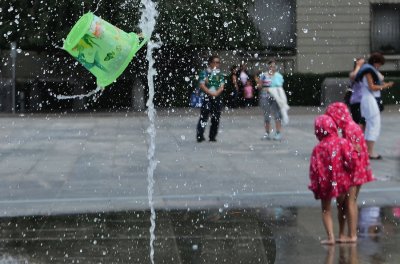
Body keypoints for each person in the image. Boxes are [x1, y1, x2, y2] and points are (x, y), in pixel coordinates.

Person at [326, 102, 375, 243]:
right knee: (349, 202)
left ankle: (352, 234)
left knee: (350, 202)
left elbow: (353, 153)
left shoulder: (349, 129)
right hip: (357, 169)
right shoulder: (350, 127)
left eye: (332, 119)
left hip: (354, 171)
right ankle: (349, 234)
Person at [308, 115, 355, 245]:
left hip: (325, 183)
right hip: (342, 181)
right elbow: (351, 161)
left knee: (326, 210)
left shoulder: (318, 148)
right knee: (342, 207)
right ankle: (341, 233)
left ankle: (331, 237)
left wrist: (315, 184)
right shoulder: (343, 142)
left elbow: (314, 169)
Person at [354, 52, 395, 159]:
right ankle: (369, 152)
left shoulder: (368, 69)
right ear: (376, 62)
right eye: (379, 63)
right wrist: (385, 86)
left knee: (368, 124)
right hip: (368, 99)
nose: (380, 66)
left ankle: (365, 150)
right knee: (373, 124)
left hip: (367, 99)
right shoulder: (368, 71)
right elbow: (372, 87)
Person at [196, 55, 225, 142]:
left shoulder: (220, 74)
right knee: (204, 117)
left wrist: (216, 93)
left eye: (218, 62)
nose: (216, 64)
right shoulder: (204, 73)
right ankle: (200, 135)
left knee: (216, 117)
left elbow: (222, 86)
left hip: (217, 97)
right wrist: (210, 93)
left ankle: (212, 136)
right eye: (214, 62)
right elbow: (202, 85)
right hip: (207, 97)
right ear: (210, 63)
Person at [257, 60, 288, 140]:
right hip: (265, 96)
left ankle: (278, 133)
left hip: (276, 97)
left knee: (277, 114)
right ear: (268, 67)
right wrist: (262, 85)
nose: (272, 68)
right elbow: (259, 86)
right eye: (271, 66)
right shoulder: (264, 75)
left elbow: (280, 87)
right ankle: (267, 133)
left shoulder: (278, 76)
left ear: (276, 67)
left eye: (274, 66)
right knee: (266, 115)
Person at [348, 57, 366, 129]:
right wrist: (358, 66)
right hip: (356, 103)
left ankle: (362, 138)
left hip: (365, 102)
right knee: (358, 124)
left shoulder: (367, 75)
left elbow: (380, 78)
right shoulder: (353, 73)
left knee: (365, 123)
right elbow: (353, 76)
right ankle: (357, 138)